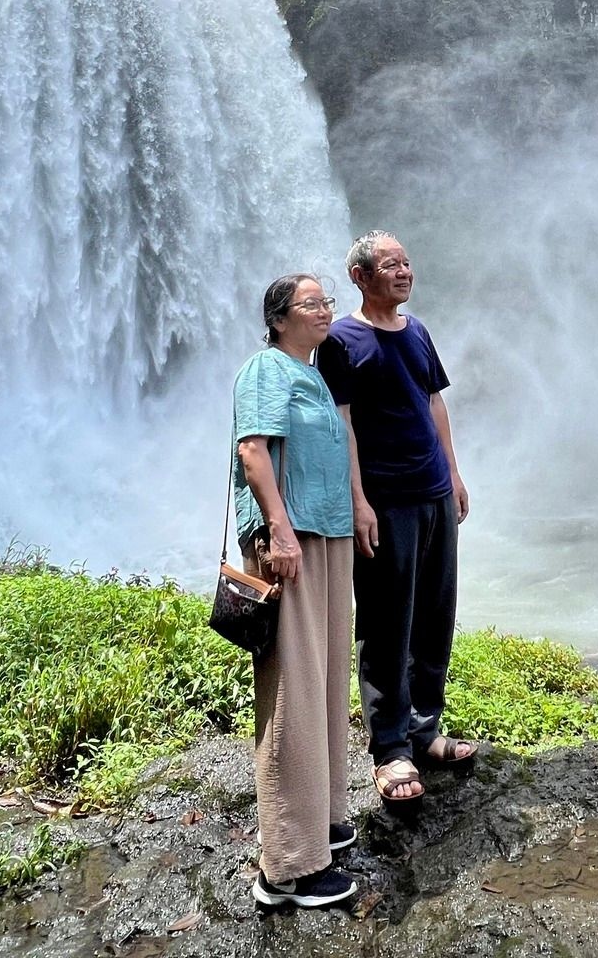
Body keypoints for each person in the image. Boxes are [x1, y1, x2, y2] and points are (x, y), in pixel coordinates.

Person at [318, 231, 475, 807]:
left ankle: (425, 729)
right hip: (385, 502)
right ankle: (390, 750)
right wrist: (358, 501)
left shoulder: (418, 331)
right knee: (387, 623)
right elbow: (343, 424)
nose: (404, 271)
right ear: (360, 277)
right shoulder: (340, 341)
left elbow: (434, 403)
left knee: (435, 616)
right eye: (390, 264)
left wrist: (454, 474)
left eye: (407, 261)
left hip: (432, 492)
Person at [233, 274, 375, 910]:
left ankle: (321, 823)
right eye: (314, 303)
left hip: (327, 537)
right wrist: (280, 534)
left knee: (323, 681)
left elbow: (333, 450)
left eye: (327, 303)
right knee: (292, 689)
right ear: (281, 317)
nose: (326, 312)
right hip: (290, 544)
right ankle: (287, 869)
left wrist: (356, 507)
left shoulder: (312, 374)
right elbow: (253, 451)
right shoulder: (266, 368)